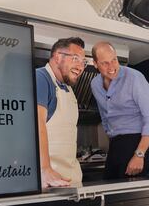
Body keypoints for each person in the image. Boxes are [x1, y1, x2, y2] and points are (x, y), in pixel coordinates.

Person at [90, 41, 149, 180]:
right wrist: (110, 135)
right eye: (105, 63)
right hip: (116, 143)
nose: (112, 67)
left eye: (114, 60)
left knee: (128, 196)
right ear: (95, 63)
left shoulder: (135, 78)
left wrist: (139, 154)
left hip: (138, 141)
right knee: (109, 188)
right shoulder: (95, 84)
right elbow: (104, 115)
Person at [36, 37, 88, 188]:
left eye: (83, 62)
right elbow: (36, 123)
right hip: (51, 182)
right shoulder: (41, 78)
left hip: (71, 181)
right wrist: (45, 169)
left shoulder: (68, 89)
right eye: (75, 59)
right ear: (58, 57)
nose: (81, 67)